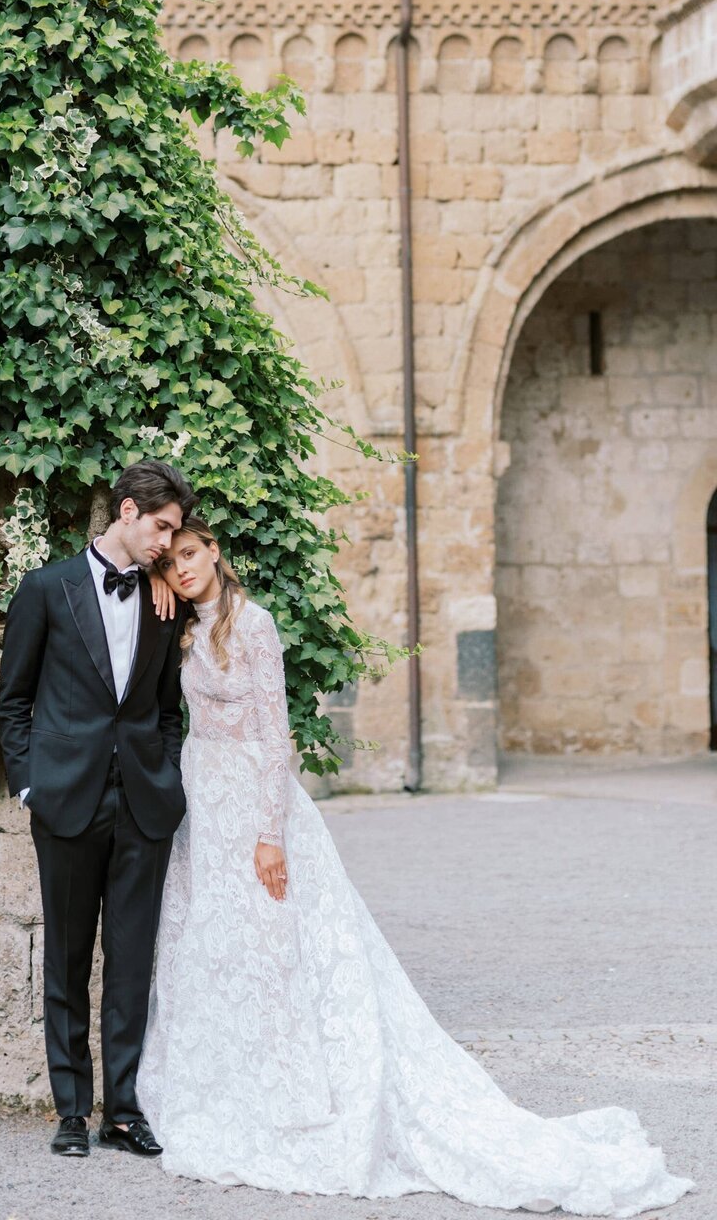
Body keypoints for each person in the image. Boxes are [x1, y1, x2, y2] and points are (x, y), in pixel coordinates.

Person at [137, 517, 694, 1215]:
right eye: (174, 561)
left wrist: (269, 833)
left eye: (192, 554)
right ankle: (229, 1090)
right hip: (205, 811)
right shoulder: (183, 628)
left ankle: (302, 1096)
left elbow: (277, 733)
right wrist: (155, 583)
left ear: (215, 552)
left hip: (253, 808)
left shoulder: (255, 625)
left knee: (282, 951)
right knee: (221, 954)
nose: (185, 568)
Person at [0, 460, 194, 1158]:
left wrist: (165, 774)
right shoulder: (45, 589)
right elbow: (13, 701)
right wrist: (29, 784)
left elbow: (170, 710)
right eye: (162, 528)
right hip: (65, 800)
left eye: (175, 532)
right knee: (68, 959)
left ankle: (125, 1110)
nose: (168, 544)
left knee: (133, 962)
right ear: (128, 512)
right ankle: (71, 1112)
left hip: (143, 804)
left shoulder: (167, 600)